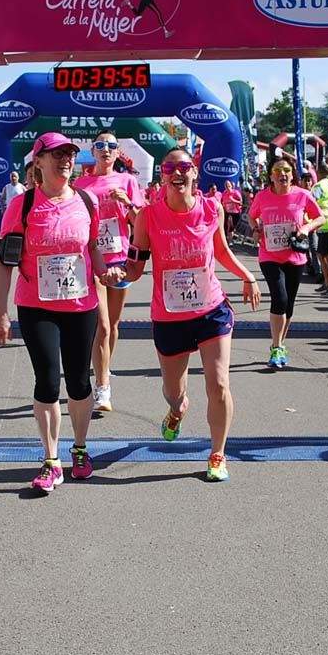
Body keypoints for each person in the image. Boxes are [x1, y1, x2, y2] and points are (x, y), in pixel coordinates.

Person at [0, 133, 123, 492]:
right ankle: (51, 460)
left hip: (81, 304)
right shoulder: (23, 205)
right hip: (37, 305)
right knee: (47, 380)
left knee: (80, 381)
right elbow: (5, 263)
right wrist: (1, 313)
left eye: (69, 153)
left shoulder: (87, 200)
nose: (65, 159)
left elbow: (92, 245)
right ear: (38, 163)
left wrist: (103, 270)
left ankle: (79, 449)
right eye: (56, 154)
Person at [124, 148, 261, 481]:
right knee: (173, 390)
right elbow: (135, 267)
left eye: (184, 166)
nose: (178, 172)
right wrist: (110, 270)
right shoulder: (148, 216)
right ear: (163, 175)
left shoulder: (211, 209)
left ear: (195, 173)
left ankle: (217, 453)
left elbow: (222, 251)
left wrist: (248, 275)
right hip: (169, 316)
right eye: (170, 166)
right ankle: (177, 409)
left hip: (211, 310)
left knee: (219, 384)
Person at [73, 130, 145, 413]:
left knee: (112, 326)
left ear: (117, 153)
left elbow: (141, 223)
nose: (106, 149)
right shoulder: (81, 183)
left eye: (111, 146)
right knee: (101, 325)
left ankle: (103, 366)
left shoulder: (128, 181)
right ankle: (103, 388)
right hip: (93, 260)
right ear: (93, 151)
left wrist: (126, 204)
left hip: (120, 260)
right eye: (100, 145)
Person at [248, 157, 324, 368]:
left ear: (292, 175)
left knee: (288, 303)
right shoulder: (262, 197)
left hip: (295, 256)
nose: (283, 174)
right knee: (279, 298)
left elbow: (320, 217)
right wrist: (256, 230)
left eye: (287, 171)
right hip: (270, 255)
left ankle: (280, 344)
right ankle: (275, 346)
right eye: (278, 171)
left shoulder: (303, 195)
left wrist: (306, 229)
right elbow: (251, 215)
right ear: (271, 176)